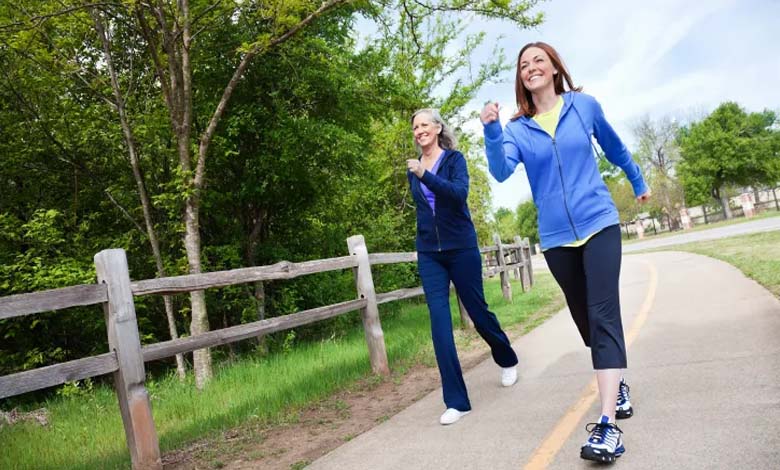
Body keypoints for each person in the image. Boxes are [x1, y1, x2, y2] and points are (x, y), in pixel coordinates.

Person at [480, 42, 650, 463]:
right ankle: (618, 381)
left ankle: (608, 425)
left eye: (539, 60)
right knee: (583, 318)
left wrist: (637, 179)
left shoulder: (583, 106)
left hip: (599, 222)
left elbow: (613, 147)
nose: (531, 67)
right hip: (556, 238)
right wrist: (491, 129)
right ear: (521, 79)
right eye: (524, 65)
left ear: (555, 68)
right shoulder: (519, 129)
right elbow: (501, 172)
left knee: (603, 312)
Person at [406, 108, 519, 426]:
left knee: (478, 313)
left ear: (438, 128)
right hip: (430, 254)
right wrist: (423, 241)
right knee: (439, 324)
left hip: (461, 249)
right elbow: (423, 210)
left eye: (424, 124)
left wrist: (424, 175)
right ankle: (457, 401)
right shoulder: (413, 168)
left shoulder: (454, 160)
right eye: (415, 127)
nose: (419, 130)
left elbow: (458, 195)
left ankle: (507, 358)